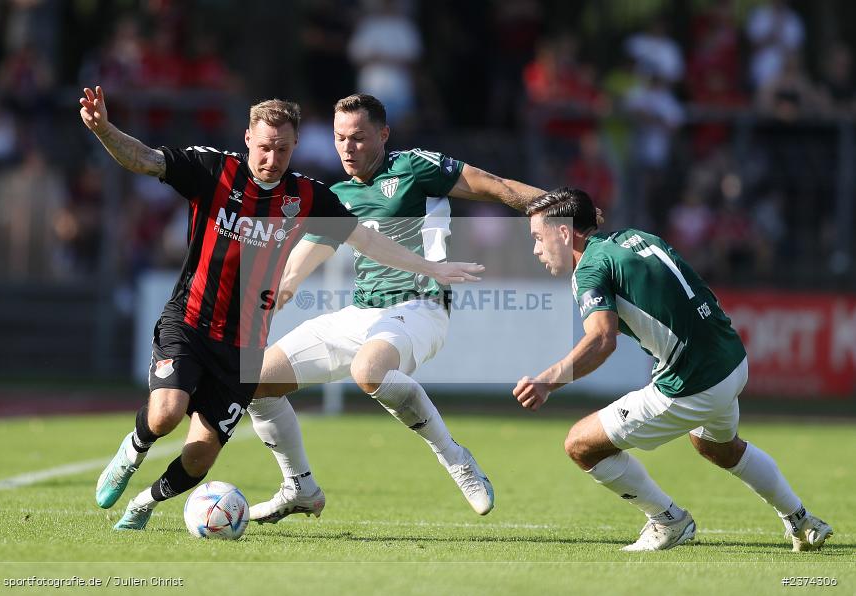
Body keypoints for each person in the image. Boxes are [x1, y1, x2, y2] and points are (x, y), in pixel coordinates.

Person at [79, 85, 484, 530]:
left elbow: (367, 240)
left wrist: (429, 267)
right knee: (166, 414)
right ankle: (132, 451)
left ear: (295, 146)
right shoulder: (212, 169)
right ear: (248, 138)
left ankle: (143, 505)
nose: (272, 158)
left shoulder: (307, 196)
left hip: (242, 347)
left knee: (199, 457)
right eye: (265, 147)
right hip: (190, 322)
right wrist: (104, 131)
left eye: (283, 149)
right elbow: (145, 159)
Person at [246, 93, 546, 523]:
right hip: (361, 314)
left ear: (383, 134)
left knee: (368, 371)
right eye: (339, 138)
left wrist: (562, 206)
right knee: (253, 380)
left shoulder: (413, 168)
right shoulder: (337, 196)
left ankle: (456, 458)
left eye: (358, 137)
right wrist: (276, 295)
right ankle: (300, 487)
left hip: (421, 306)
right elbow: (299, 264)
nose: (347, 148)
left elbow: (495, 185)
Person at [513, 187, 833, 552]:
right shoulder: (635, 237)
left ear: (564, 233)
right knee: (718, 447)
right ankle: (801, 520)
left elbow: (602, 340)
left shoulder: (589, 267)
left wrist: (546, 382)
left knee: (581, 445)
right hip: (732, 360)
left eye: (538, 237)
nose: (536, 249)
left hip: (693, 383)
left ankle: (668, 520)